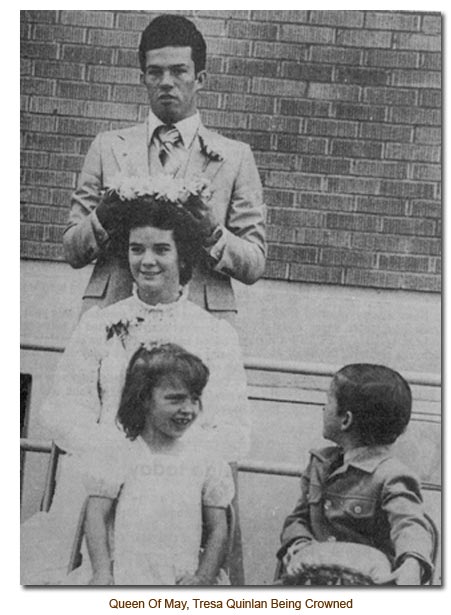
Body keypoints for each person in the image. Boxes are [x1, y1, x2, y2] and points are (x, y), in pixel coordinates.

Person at [21, 184, 249, 584]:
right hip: (104, 478)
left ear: (184, 258)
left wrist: (177, 464)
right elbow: (62, 409)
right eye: (136, 249)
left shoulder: (214, 334)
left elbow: (232, 427)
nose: (146, 261)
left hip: (178, 489)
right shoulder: (100, 323)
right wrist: (114, 453)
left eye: (161, 249)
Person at [63, 13, 266, 318]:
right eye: (155, 72)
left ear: (200, 79)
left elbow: (254, 264)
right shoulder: (108, 147)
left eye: (179, 71)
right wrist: (103, 216)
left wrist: (212, 230)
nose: (167, 83)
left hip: (200, 318)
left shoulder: (234, 156)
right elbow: (72, 250)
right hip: (114, 312)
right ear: (142, 77)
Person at [83, 343, 234, 586]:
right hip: (126, 578)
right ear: (144, 400)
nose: (188, 410)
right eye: (175, 399)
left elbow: (218, 528)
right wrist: (102, 573)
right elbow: (96, 515)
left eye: (194, 400)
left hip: (180, 581)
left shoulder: (204, 460)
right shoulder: (120, 453)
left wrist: (203, 578)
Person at [277, 364, 435, 585]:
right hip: (314, 579)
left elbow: (410, 525)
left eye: (327, 402)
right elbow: (297, 519)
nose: (323, 409)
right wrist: (299, 545)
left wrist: (412, 562)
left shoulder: (392, 476)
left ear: (346, 420)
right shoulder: (319, 464)